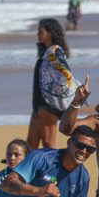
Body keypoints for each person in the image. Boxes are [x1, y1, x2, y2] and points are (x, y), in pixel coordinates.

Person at [27, 18, 80, 150]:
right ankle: (26, 171)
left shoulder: (54, 52)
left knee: (48, 145)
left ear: (49, 33)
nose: (38, 34)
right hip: (39, 106)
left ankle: (53, 171)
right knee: (30, 145)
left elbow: (65, 73)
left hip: (48, 106)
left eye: (41, 31)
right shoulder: (48, 52)